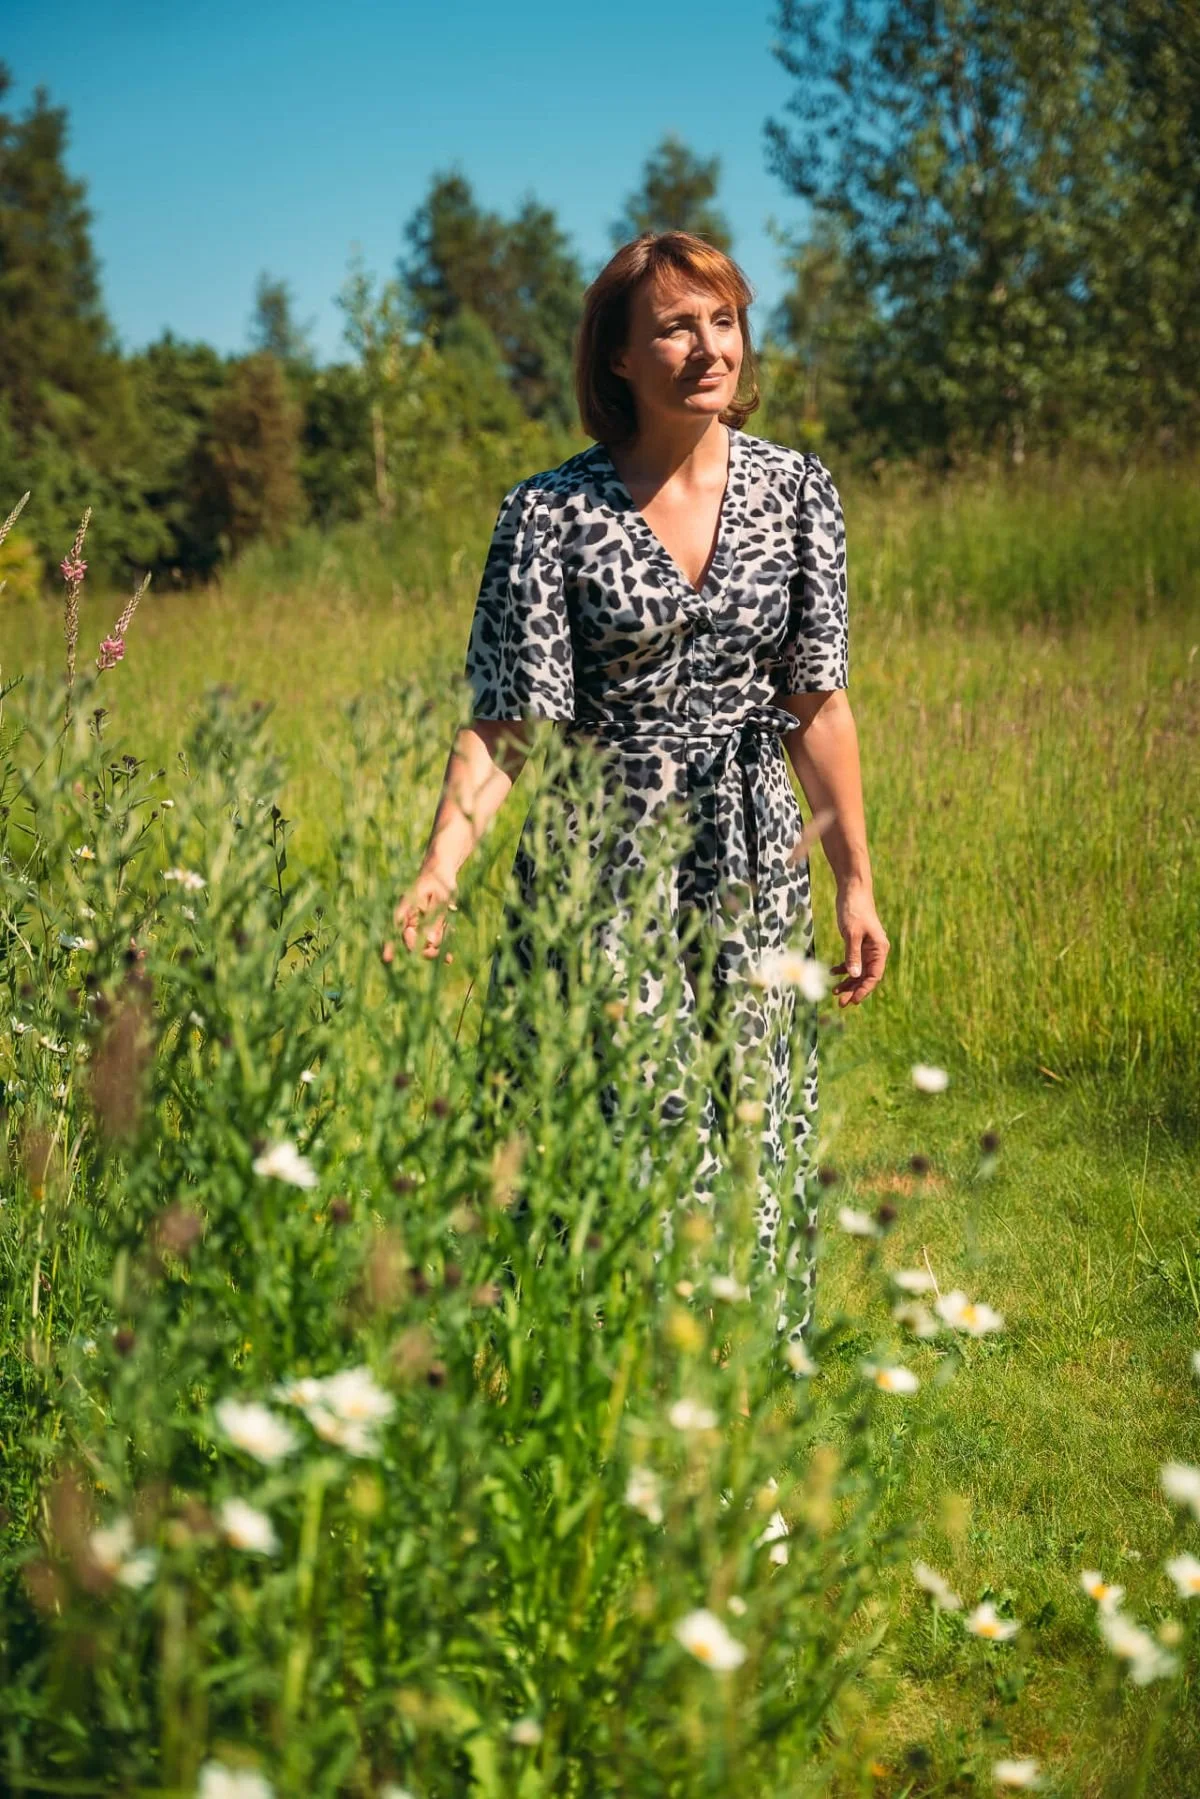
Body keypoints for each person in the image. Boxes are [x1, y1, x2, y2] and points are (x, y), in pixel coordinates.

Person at [395, 231, 889, 1343]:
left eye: (721, 320)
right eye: (672, 324)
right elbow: (506, 720)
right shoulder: (550, 513)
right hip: (606, 864)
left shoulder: (800, 490)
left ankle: (750, 1401)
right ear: (618, 355)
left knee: (757, 1126)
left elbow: (820, 703)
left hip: (757, 861)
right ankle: (624, 1401)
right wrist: (441, 867)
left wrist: (855, 881)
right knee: (648, 1131)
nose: (706, 347)